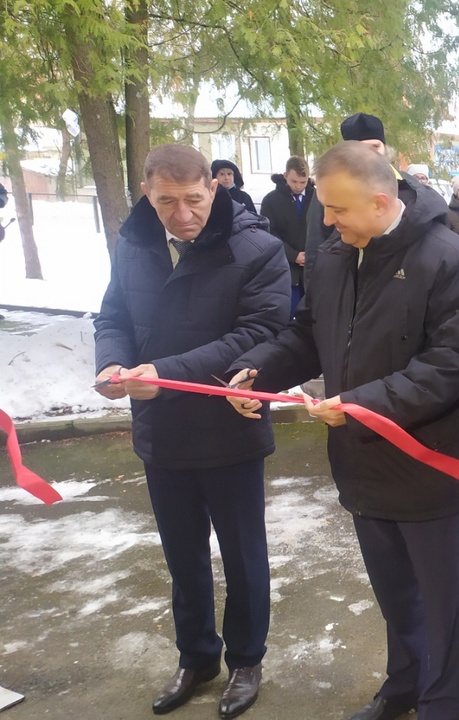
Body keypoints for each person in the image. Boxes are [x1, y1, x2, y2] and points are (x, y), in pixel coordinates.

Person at [225, 141, 459, 720]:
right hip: (358, 460)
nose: (327, 220)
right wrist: (261, 370)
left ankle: (441, 705)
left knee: (440, 603)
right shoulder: (336, 255)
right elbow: (307, 333)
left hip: (427, 463)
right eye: (325, 206)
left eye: (337, 208)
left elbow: (449, 367)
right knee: (394, 593)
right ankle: (403, 686)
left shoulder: (449, 260)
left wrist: (360, 404)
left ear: (380, 202)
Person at [93, 144, 290, 719]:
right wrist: (112, 362)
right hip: (160, 430)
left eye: (194, 200)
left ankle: (246, 660)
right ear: (146, 194)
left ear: (214, 188)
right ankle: (196, 655)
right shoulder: (134, 243)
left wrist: (165, 372)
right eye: (166, 202)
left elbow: (258, 333)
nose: (182, 215)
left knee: (243, 554)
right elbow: (113, 315)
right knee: (182, 556)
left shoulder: (257, 248)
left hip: (228, 426)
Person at [304, 112, 395, 288]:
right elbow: (316, 247)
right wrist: (314, 294)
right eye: (361, 149)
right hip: (345, 286)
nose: (370, 154)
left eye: (375, 146)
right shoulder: (328, 192)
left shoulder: (410, 189)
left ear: (385, 148)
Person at [259, 156, 314, 317]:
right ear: (285, 176)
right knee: (288, 316)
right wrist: (293, 255)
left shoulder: (318, 198)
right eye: (294, 181)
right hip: (285, 269)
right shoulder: (270, 200)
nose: (298, 186)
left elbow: (326, 230)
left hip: (314, 269)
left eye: (303, 182)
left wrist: (314, 254)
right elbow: (268, 233)